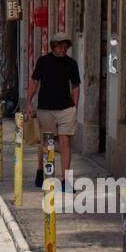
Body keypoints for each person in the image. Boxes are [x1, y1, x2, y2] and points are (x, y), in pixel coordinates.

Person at [25, 33, 81, 186]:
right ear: (53, 46)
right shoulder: (43, 61)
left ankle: (66, 181)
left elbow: (76, 86)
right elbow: (34, 82)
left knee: (65, 143)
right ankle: (41, 171)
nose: (63, 49)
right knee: (46, 143)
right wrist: (28, 102)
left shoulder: (71, 63)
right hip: (46, 109)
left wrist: (75, 106)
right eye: (60, 46)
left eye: (65, 47)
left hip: (66, 109)